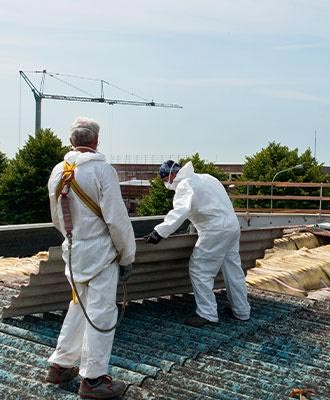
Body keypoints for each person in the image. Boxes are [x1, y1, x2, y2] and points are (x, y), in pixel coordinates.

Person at [44, 117, 136, 399]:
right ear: (95, 141)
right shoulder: (102, 171)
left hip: (74, 252)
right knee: (101, 313)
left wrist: (76, 240)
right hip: (100, 255)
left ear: (73, 141)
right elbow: (117, 220)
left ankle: (60, 365)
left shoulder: (58, 171)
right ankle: (94, 379)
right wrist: (127, 255)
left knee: (78, 308)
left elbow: (57, 218)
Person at [145, 160, 251, 327]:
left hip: (215, 230)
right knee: (233, 269)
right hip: (232, 226)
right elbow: (210, 204)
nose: (166, 183)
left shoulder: (184, 185)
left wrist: (160, 232)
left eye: (165, 180)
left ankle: (207, 314)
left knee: (200, 269)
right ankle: (241, 311)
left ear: (171, 175)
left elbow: (180, 211)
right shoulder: (207, 178)